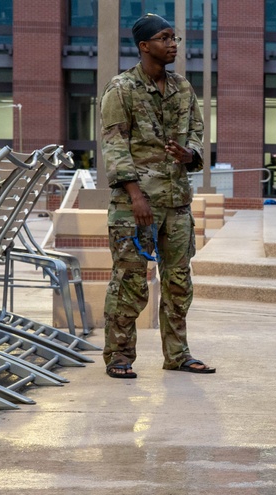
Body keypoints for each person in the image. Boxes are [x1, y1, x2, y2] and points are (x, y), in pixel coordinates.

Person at [100, 13, 214, 379]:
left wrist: (190, 154)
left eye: (175, 38)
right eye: (165, 38)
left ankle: (178, 354)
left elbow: (197, 130)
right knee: (130, 281)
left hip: (177, 202)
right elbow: (115, 146)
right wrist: (135, 196)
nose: (173, 44)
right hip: (135, 204)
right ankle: (119, 357)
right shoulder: (121, 89)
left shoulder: (183, 88)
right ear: (144, 46)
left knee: (179, 282)